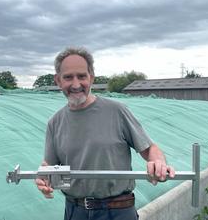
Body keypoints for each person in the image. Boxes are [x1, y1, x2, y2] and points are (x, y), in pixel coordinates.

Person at [35, 47, 175, 220]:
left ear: (91, 78)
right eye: (68, 77)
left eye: (82, 76)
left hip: (117, 211)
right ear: (58, 80)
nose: (76, 84)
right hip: (75, 211)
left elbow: (150, 149)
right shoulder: (55, 123)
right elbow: (51, 167)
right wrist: (44, 179)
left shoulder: (116, 111)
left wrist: (158, 162)